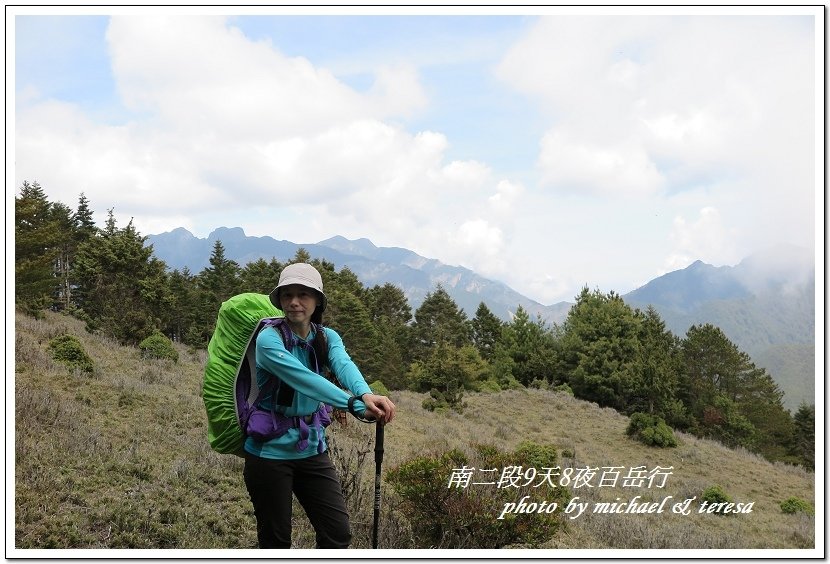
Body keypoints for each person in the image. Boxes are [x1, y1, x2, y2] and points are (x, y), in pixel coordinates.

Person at [242, 262, 396, 549]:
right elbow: (306, 380)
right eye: (287, 295)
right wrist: (353, 402)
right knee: (276, 542)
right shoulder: (269, 340)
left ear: (317, 301)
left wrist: (365, 393)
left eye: (303, 294)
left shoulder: (326, 337)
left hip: (312, 448)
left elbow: (343, 364)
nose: (294, 302)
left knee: (337, 534)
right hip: (269, 453)